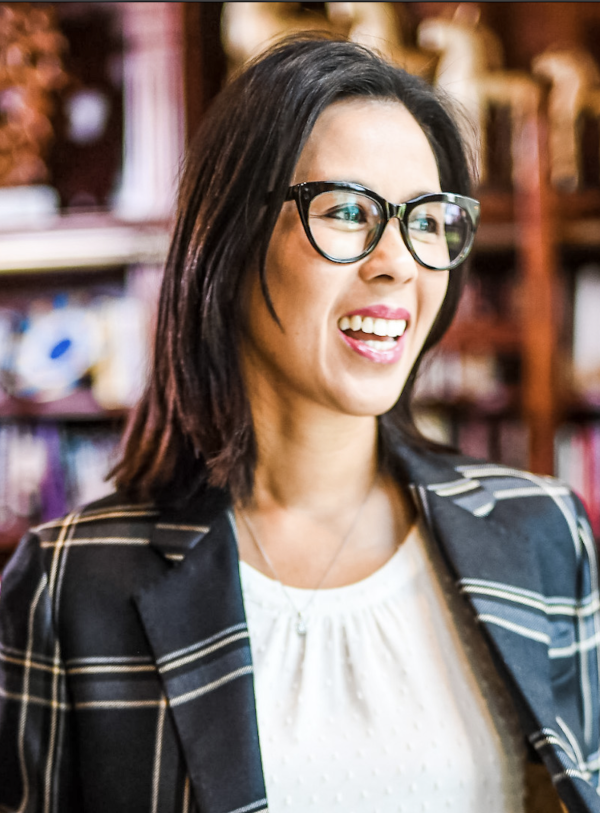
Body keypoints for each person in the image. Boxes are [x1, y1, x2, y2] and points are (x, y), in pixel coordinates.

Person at [0, 35, 597, 813]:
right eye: (348, 211)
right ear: (232, 241)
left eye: (427, 219)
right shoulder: (70, 585)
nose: (399, 263)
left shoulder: (542, 533)